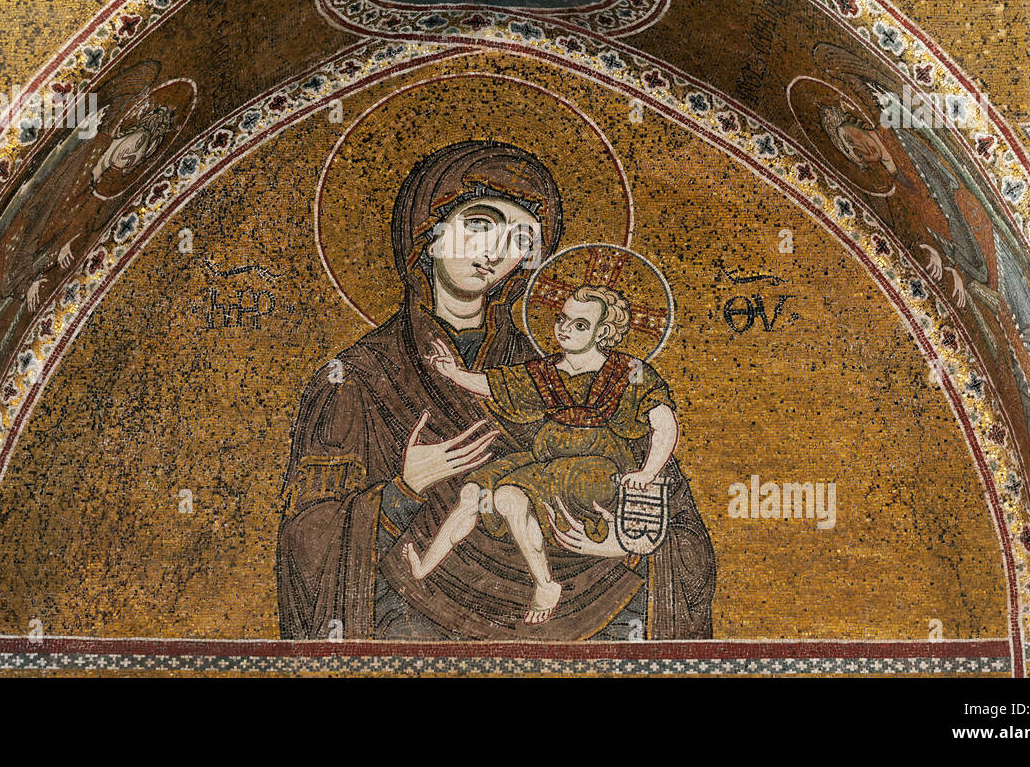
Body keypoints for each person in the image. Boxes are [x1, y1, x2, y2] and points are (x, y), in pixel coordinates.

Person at [276, 140, 716, 639]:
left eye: (521, 242)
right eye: (479, 226)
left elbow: (676, 527)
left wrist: (622, 541)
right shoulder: (357, 377)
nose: (494, 253)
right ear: (428, 227)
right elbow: (307, 546)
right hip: (418, 618)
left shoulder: (564, 369)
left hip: (594, 600)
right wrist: (404, 490)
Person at [406, 284, 679, 624]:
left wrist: (647, 473)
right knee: (471, 492)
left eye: (579, 325)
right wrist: (454, 373)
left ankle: (546, 584)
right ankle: (424, 567)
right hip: (545, 460)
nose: (565, 328)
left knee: (508, 496)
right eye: (563, 319)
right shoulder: (546, 371)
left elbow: (664, 422)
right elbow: (496, 386)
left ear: (603, 332)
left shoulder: (628, 372)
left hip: (596, 466)